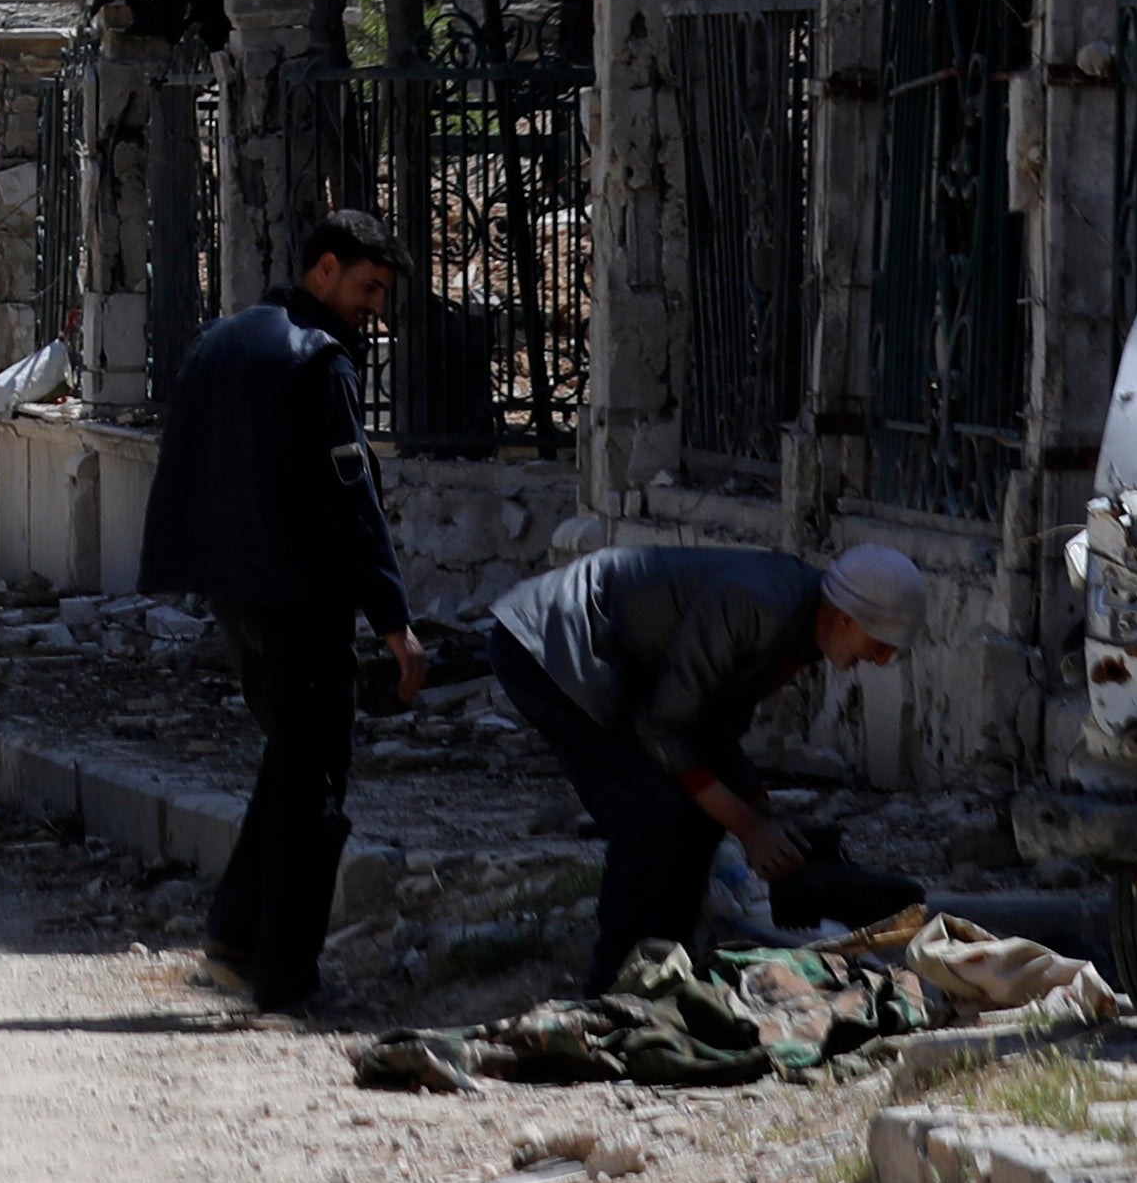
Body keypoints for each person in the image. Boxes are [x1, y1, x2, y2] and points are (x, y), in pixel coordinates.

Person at [134, 202, 427, 1014]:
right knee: (316, 787)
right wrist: (394, 621)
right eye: (367, 287)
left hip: (236, 597)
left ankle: (232, 936)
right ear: (323, 269)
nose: (374, 307)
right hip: (301, 600)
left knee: (289, 763)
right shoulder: (320, 361)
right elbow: (349, 500)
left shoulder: (218, 341)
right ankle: (287, 976)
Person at [448, 538, 926, 981]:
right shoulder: (758, 606)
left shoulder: (799, 629)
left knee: (695, 814)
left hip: (615, 665)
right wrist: (750, 827)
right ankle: (617, 986)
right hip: (554, 643)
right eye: (879, 645)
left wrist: (763, 813)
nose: (880, 661)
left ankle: (672, 964)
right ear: (845, 618)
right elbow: (667, 728)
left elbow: (714, 726)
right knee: (651, 814)